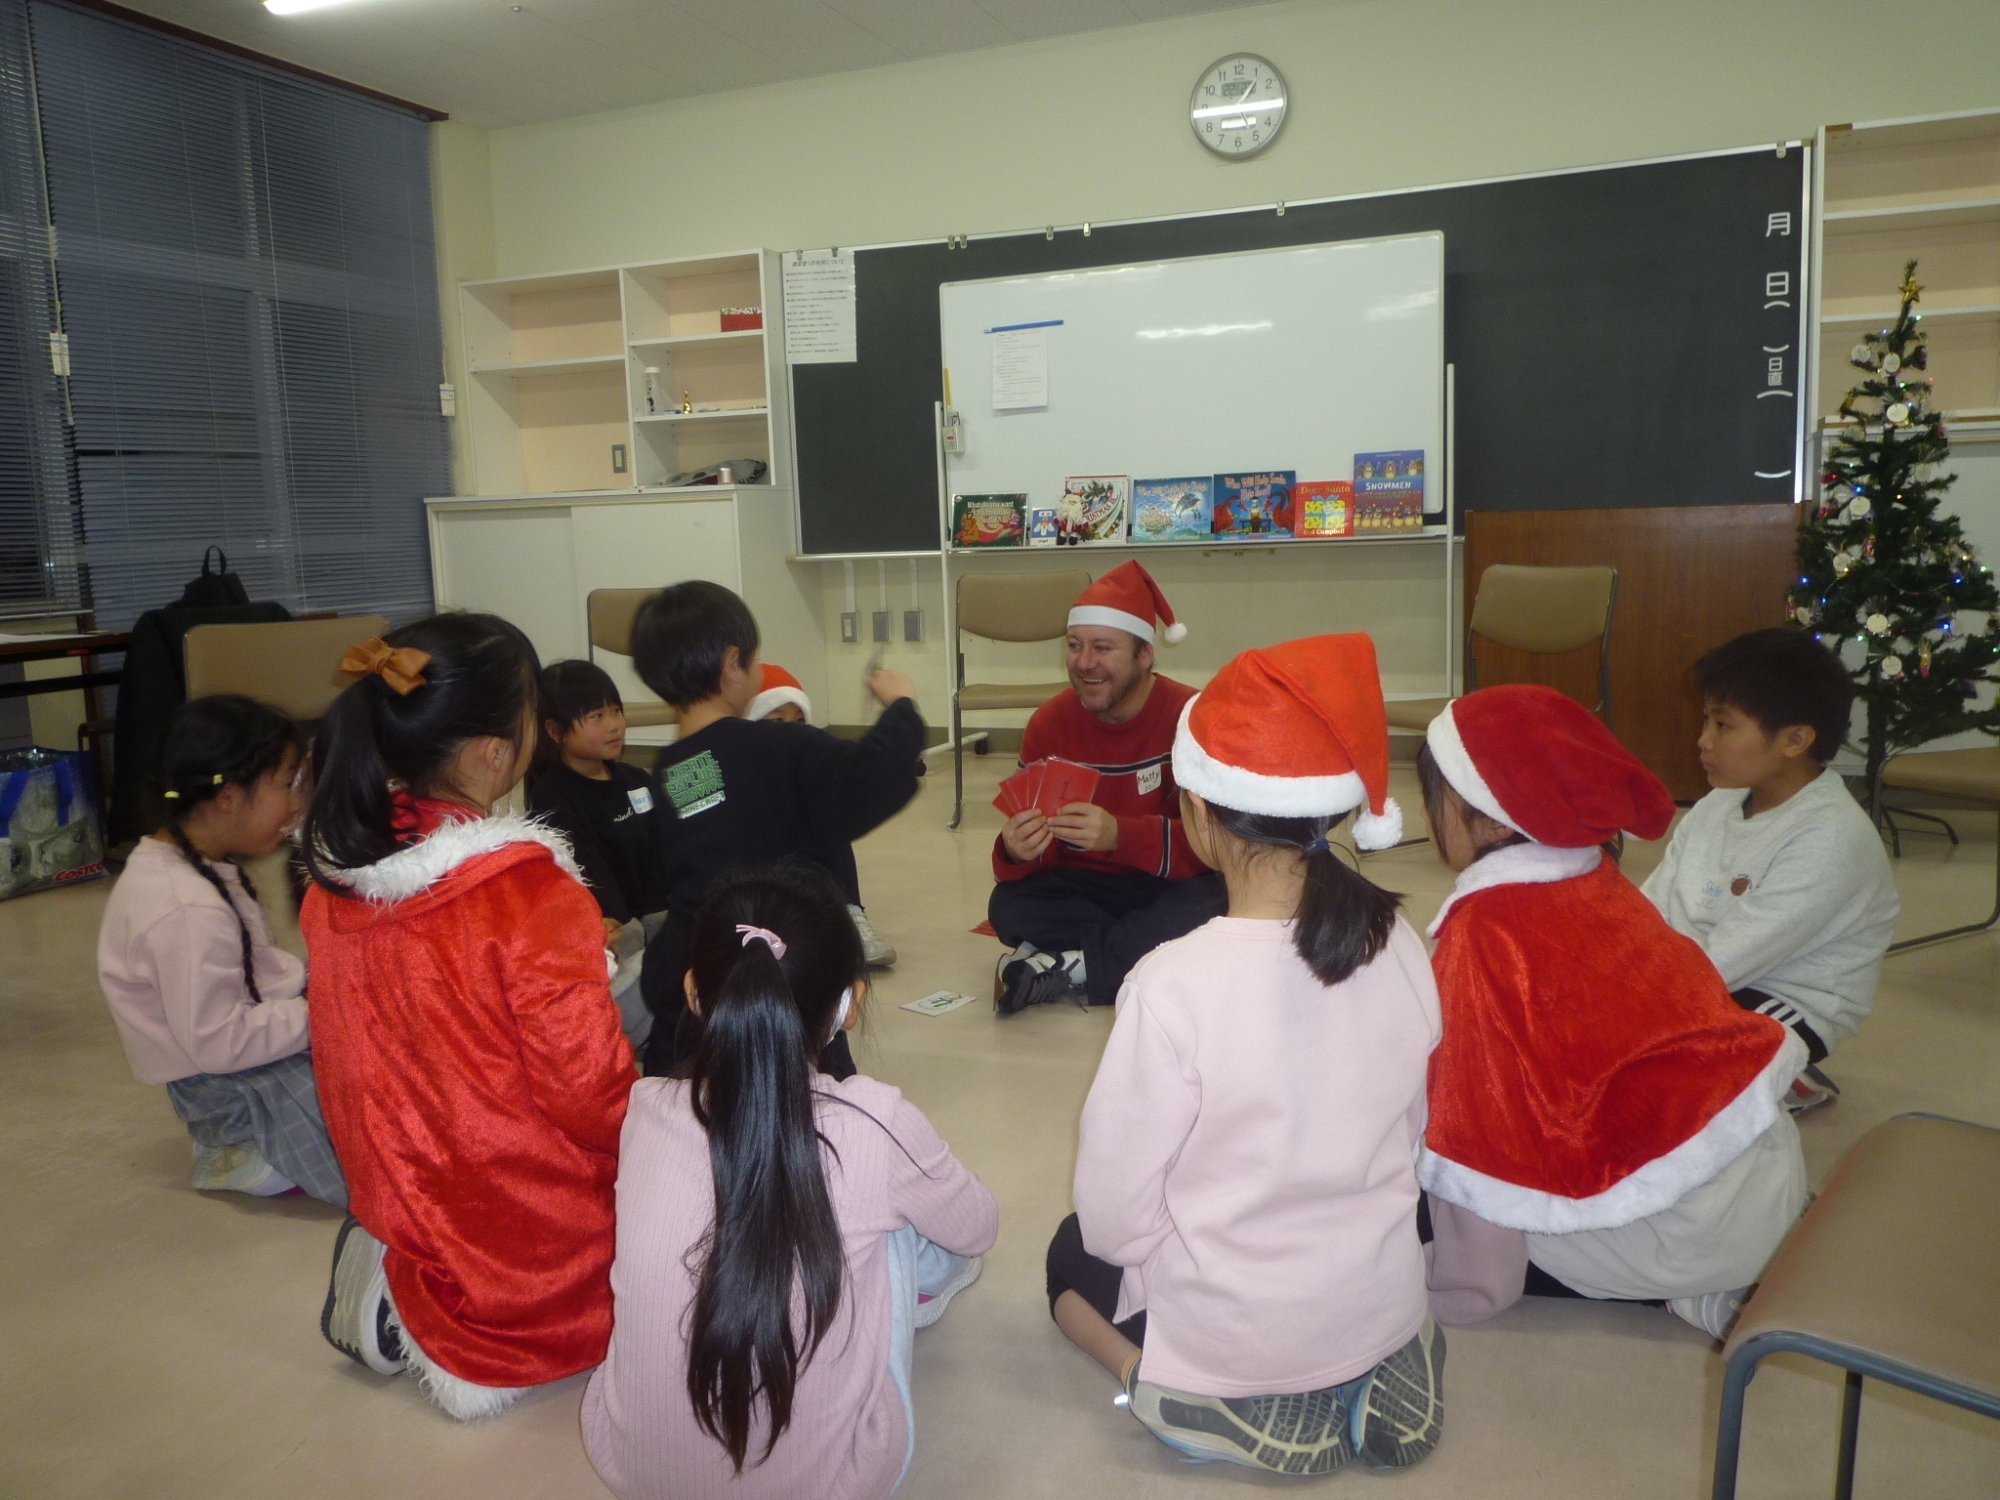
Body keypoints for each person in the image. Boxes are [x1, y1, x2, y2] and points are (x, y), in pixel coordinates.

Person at [1050, 634, 1446, 1476]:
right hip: (1379, 1290)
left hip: (1240, 1326)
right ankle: (1383, 1353)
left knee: (1070, 1253)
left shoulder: (1170, 983)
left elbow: (1117, 1216)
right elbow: (1413, 1133)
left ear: (1198, 812)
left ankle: (1170, 1387)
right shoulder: (1401, 940)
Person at [301, 618, 635, 1421]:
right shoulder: (528, 894)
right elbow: (590, 1096)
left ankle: (404, 1277)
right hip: (521, 1241)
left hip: (401, 1190)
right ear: (493, 752)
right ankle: (443, 1309)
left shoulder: (334, 880)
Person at [583, 864, 996, 1500]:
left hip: (631, 1466)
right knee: (896, 1222)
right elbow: (977, 1229)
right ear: (849, 1005)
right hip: (835, 1482)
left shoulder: (645, 1106)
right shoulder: (874, 1119)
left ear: (693, 992)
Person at [1416, 685, 1808, 1341]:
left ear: (1491, 821)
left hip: (1675, 1234)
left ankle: (1686, 1292)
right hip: (1761, 1179)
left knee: (1405, 1192)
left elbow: (1478, 1129)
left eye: (1435, 800)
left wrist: (1464, 1283)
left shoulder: (1488, 932)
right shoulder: (1594, 881)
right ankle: (1720, 1277)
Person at [634, 582, 923, 1078]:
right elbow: (867, 778)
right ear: (732, 663)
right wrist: (902, 707)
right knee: (814, 1092)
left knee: (693, 1093)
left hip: (699, 967)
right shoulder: (777, 745)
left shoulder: (670, 770)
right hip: (787, 967)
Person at [96, 694, 346, 1207]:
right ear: (230, 796)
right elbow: (219, 1042)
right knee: (372, 1135)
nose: (295, 804)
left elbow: (254, 970)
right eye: (287, 784)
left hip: (234, 1053)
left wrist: (326, 985)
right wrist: (326, 1011)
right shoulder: (186, 908)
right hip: (223, 1085)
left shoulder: (186, 863)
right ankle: (237, 1148)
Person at [1644, 627, 1898, 1111]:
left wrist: (1633, 996)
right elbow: (1650, 908)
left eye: (1723, 725)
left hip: (1785, 999)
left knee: (1648, 1068)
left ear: (1795, 740)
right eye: (1706, 721)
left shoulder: (1830, 838)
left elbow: (1727, 960)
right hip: (1702, 974)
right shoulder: (1716, 805)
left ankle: (1783, 1077)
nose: (1703, 741)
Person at [989, 561, 1226, 1014]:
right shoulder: (1047, 724)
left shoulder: (1192, 718)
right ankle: (1128, 953)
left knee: (1221, 895)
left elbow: (1216, 848)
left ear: (1145, 654)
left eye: (1102, 648)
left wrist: (1120, 835)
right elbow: (1037, 865)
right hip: (1087, 889)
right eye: (1074, 646)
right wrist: (1015, 851)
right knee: (1008, 906)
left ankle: (1075, 963)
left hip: (1167, 884)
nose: (1084, 663)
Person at [527, 658, 666, 1048]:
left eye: (616, 711)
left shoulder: (636, 780)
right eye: (597, 716)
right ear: (555, 731)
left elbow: (661, 852)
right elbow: (588, 876)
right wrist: (632, 933)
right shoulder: (552, 795)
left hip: (657, 923)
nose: (614, 724)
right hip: (613, 940)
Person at [743, 661, 896, 967]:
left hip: (809, 878)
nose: (791, 730)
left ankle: (850, 913)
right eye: (777, 720)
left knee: (829, 819)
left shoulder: (805, 767)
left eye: (799, 721)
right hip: (761, 887)